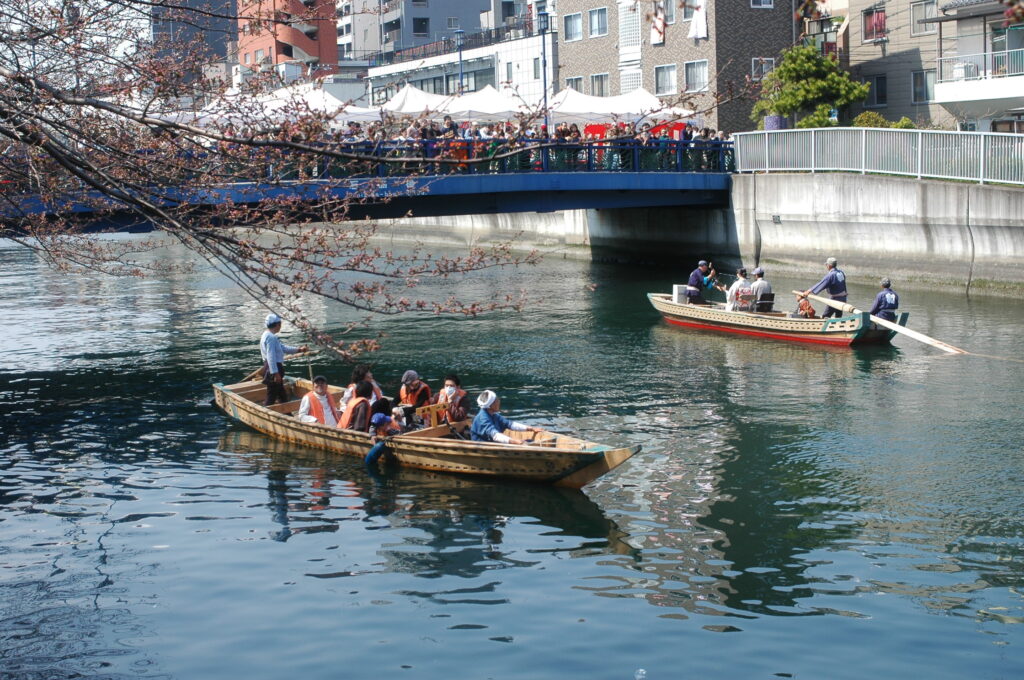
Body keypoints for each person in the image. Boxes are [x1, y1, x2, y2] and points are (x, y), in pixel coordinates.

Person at [259, 313, 307, 406]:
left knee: (281, 393)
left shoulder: (266, 335)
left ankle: (287, 412)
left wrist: (299, 349)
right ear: (277, 324)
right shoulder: (271, 337)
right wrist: (275, 373)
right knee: (271, 395)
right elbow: (271, 356)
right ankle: (267, 412)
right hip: (273, 368)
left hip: (269, 366)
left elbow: (283, 348)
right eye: (280, 324)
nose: (280, 326)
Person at [470, 390, 542, 444]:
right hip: (484, 446)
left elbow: (509, 424)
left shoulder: (494, 414)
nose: (499, 401)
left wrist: (531, 428)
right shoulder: (483, 418)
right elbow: (495, 435)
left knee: (530, 441)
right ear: (491, 405)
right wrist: (514, 441)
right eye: (496, 400)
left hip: (492, 443)